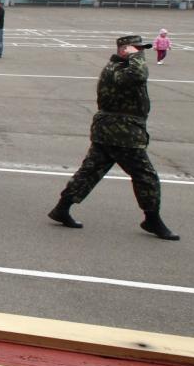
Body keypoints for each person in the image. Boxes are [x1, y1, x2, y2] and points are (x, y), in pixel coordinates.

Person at [48, 35, 179, 240]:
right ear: (124, 50)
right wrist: (135, 58)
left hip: (114, 131)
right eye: (136, 49)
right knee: (146, 176)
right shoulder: (118, 69)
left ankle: (62, 208)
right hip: (121, 133)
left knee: (90, 171)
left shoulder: (122, 67)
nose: (141, 53)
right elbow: (138, 75)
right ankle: (152, 219)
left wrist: (134, 55)